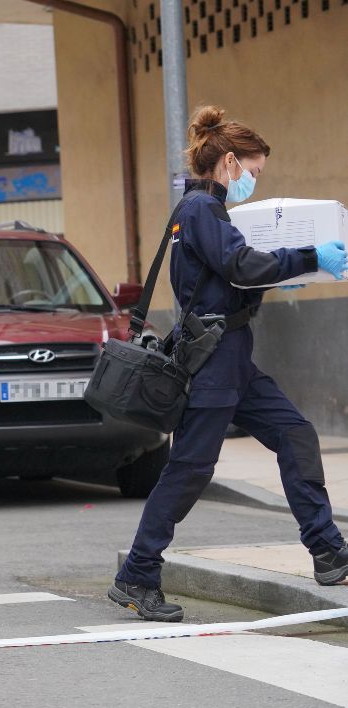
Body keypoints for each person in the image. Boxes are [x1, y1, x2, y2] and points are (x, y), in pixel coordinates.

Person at [110, 106, 348, 622]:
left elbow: (230, 277)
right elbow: (239, 265)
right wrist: (310, 258)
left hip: (233, 357)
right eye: (255, 172)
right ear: (231, 163)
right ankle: (137, 574)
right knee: (190, 470)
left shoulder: (206, 210)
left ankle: (328, 552)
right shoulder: (201, 209)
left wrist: (277, 277)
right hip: (214, 360)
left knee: (295, 433)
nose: (255, 182)